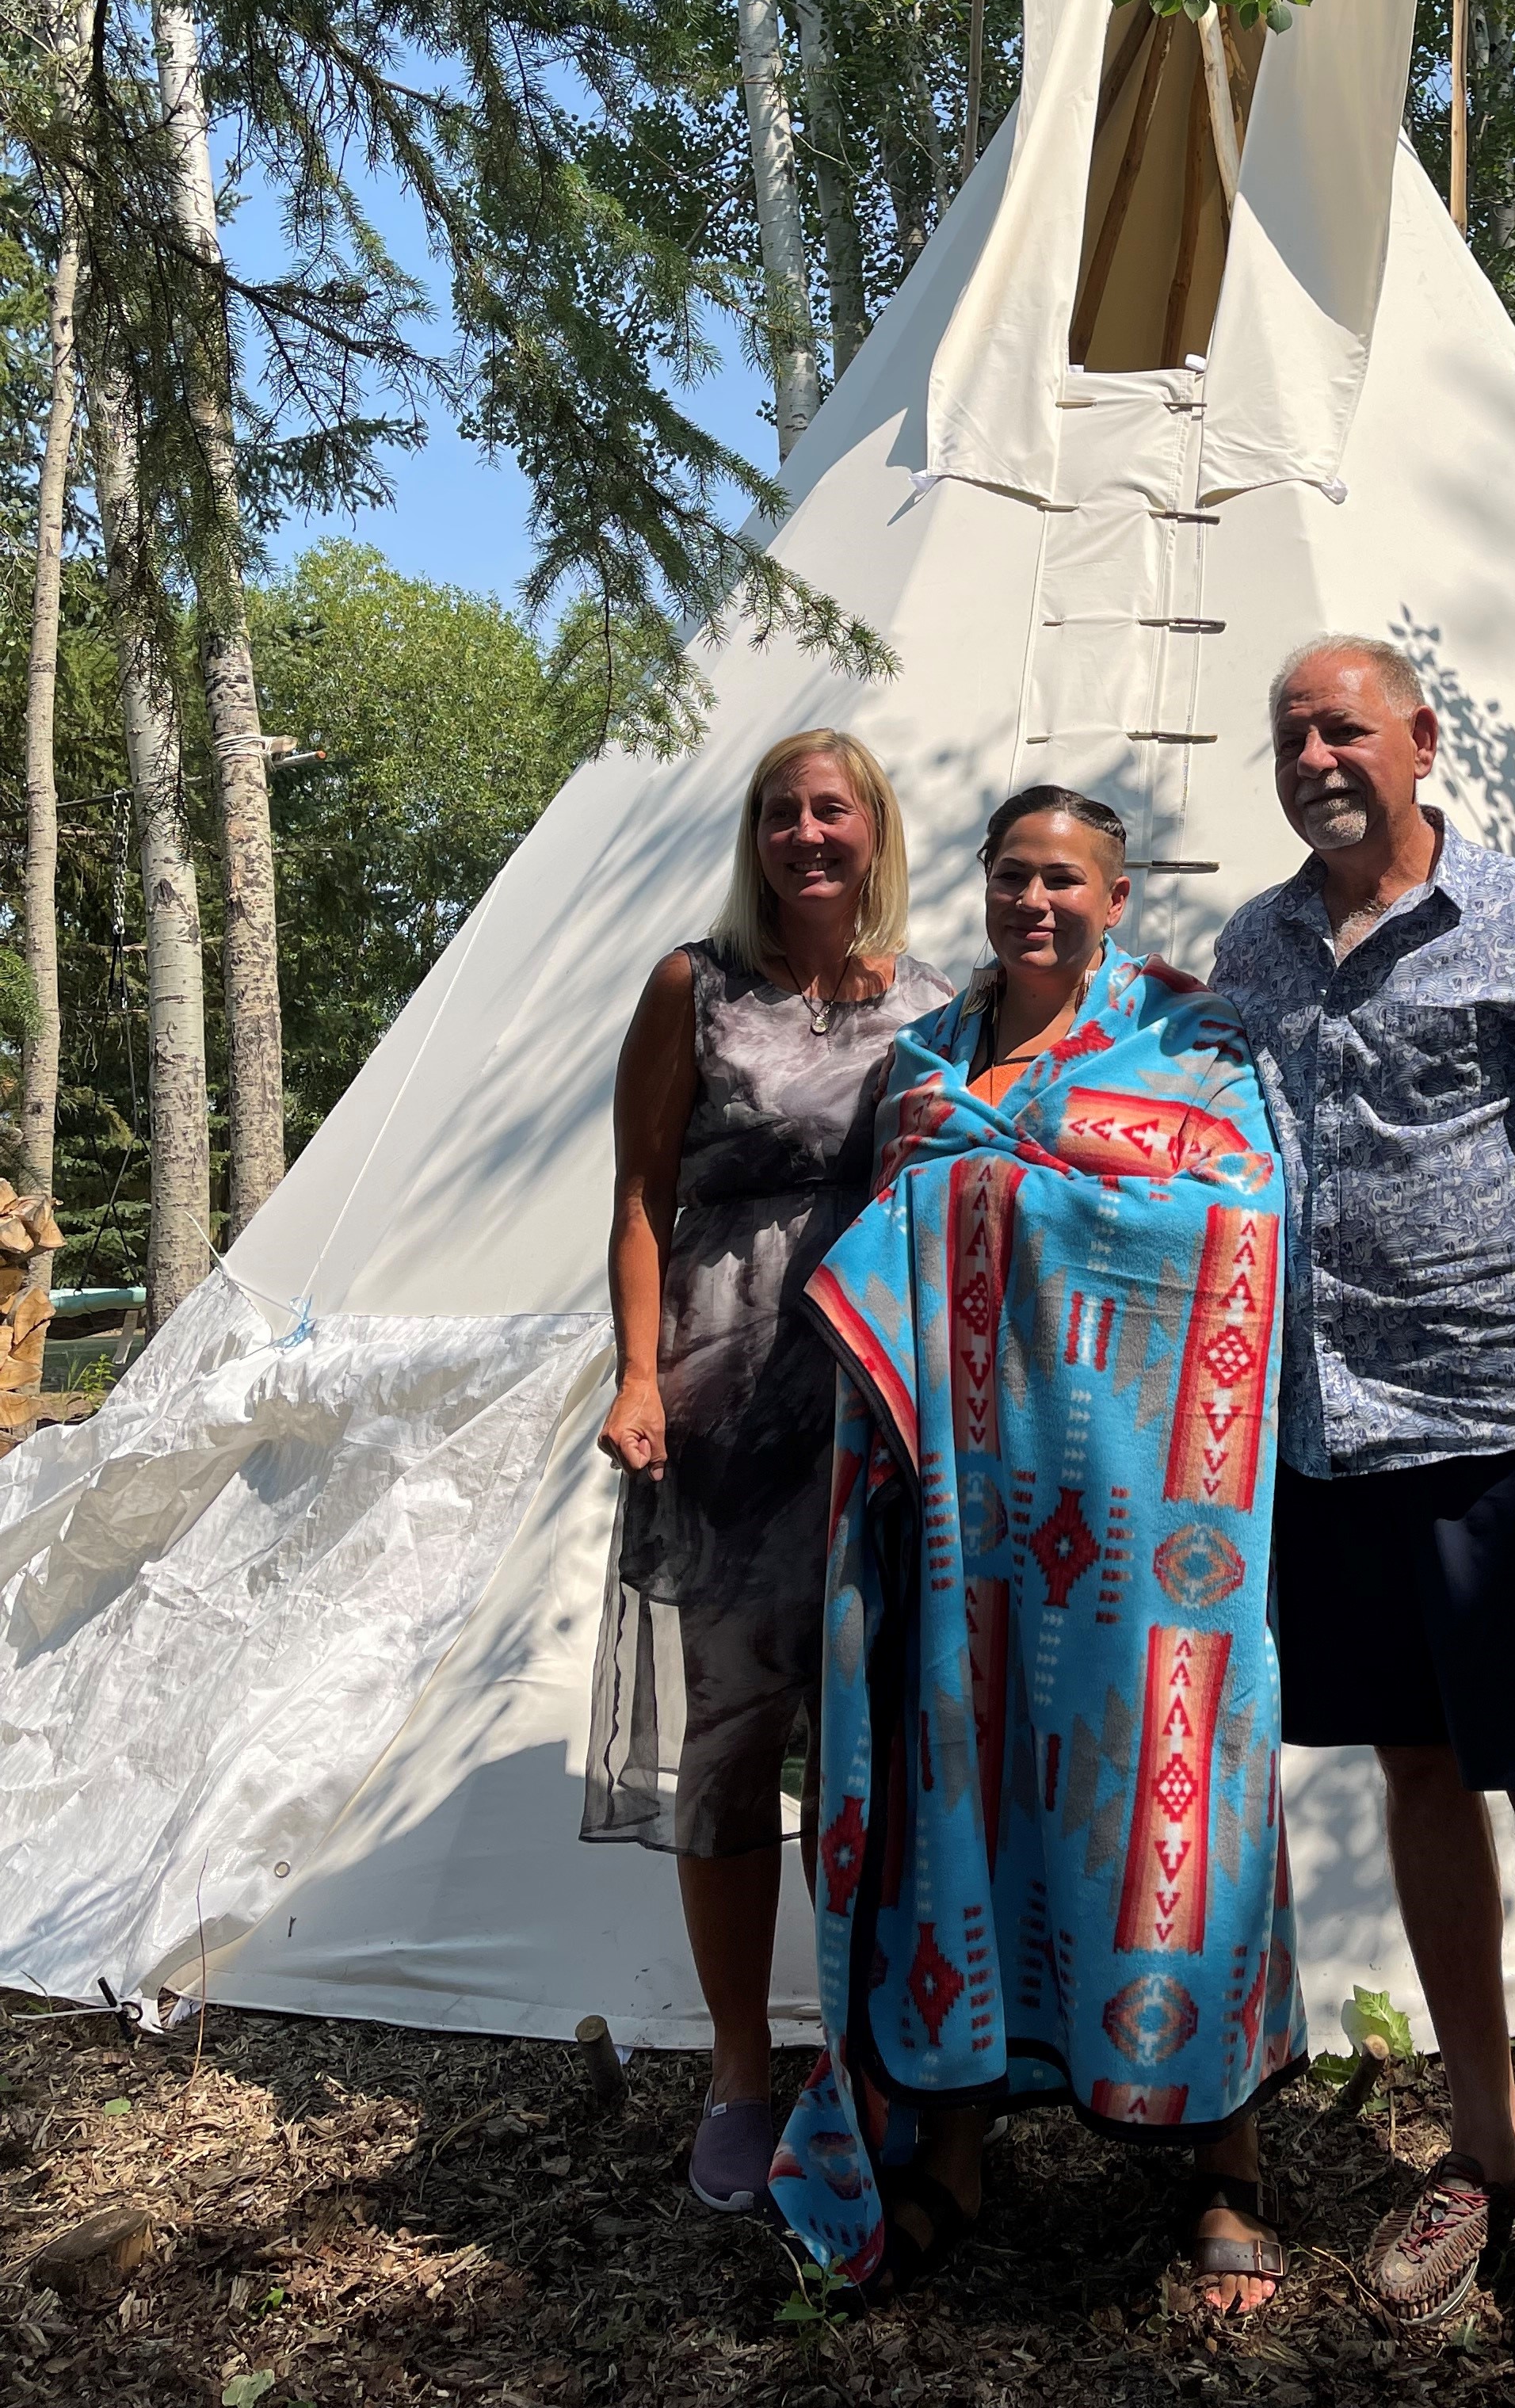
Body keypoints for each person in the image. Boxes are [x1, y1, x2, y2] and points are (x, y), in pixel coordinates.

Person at [769, 786, 1304, 2313]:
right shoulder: (928, 1059)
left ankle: (1226, 2162)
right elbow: (902, 1229)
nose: (1036, 904)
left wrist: (1012, 1193)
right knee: (958, 1793)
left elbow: (1244, 1240)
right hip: (960, 1522)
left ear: (1118, 896)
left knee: (1179, 1801)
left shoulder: (1197, 1046)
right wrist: (1002, 1191)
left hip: (1152, 1522)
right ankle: (950, 2153)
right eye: (1013, 877)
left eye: (1066, 880)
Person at [1211, 637, 1515, 2376]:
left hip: (1509, 1432)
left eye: (1347, 728)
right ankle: (1476, 2146)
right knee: (1417, 1775)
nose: (1320, 755)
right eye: (1292, 735)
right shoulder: (1254, 950)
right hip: (1324, 1450)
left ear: (1420, 740)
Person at [585, 729, 952, 2216]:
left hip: (878, 1410)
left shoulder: (937, 1005)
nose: (807, 835)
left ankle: (863, 2056)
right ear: (757, 837)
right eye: (782, 813)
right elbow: (637, 1189)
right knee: (737, 1745)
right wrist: (631, 1375)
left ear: (875, 832)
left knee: (876, 1752)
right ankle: (744, 2066)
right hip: (726, 1403)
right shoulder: (696, 985)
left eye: (833, 810)